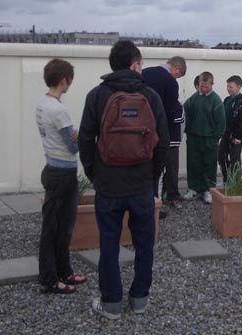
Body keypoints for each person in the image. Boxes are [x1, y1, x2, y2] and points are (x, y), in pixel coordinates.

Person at [78, 41, 169, 319]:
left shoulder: (97, 95)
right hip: (141, 184)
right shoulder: (151, 96)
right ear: (134, 64)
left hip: (109, 184)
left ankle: (112, 304)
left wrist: (96, 173)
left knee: (108, 243)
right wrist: (151, 176)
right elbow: (162, 143)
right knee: (144, 243)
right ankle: (140, 299)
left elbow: (85, 140)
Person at [36, 58, 87, 294]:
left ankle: (64, 271)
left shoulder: (42, 104)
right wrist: (77, 137)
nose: (70, 85)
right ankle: (49, 278)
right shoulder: (59, 110)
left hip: (52, 169)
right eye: (70, 80)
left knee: (64, 225)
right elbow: (73, 145)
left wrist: (74, 136)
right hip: (62, 173)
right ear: (64, 80)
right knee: (54, 228)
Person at [142, 56, 187, 209]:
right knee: (163, 169)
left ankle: (147, 200)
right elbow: (171, 111)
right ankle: (157, 203)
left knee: (147, 169)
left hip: (141, 131)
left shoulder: (144, 73)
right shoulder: (169, 81)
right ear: (176, 69)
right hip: (162, 133)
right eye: (178, 76)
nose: (176, 78)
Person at [182, 71, 225, 204]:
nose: (204, 89)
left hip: (210, 138)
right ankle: (193, 188)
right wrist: (188, 132)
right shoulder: (193, 99)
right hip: (194, 137)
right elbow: (185, 114)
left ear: (212, 84)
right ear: (198, 84)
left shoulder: (216, 100)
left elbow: (221, 122)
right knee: (193, 163)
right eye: (201, 86)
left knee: (209, 164)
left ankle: (208, 190)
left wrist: (215, 138)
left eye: (206, 86)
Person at [218, 75, 242, 183]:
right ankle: (227, 178)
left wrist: (239, 137)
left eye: (231, 87)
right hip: (225, 134)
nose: (228, 89)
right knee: (221, 156)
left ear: (239, 87)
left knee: (234, 160)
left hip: (236, 136)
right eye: (227, 86)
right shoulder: (227, 100)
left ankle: (235, 182)